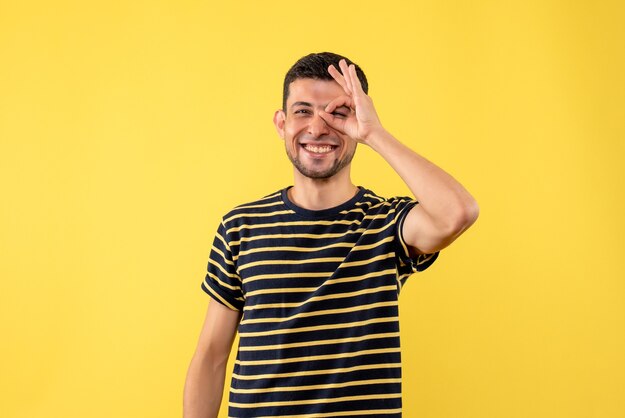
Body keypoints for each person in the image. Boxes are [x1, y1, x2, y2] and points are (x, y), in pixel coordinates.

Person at [183, 52, 479, 418]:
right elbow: (211, 356)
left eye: (337, 113)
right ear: (281, 123)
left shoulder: (386, 224)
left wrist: (375, 133)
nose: (318, 128)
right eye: (303, 111)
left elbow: (458, 212)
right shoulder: (240, 225)